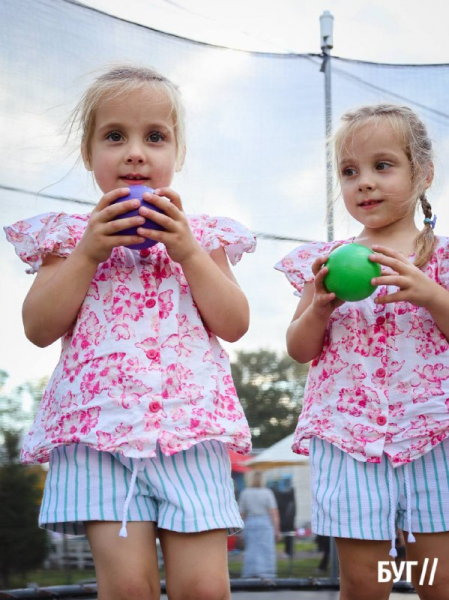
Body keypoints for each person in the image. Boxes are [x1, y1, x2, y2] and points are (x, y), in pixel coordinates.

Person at [4, 64, 256, 600]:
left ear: (177, 154)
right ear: (88, 153)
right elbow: (37, 327)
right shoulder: (69, 237)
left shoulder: (202, 236)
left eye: (155, 137)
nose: (135, 152)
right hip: (98, 436)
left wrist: (186, 250)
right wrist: (90, 251)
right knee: (128, 590)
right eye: (115, 136)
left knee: (205, 589)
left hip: (189, 432)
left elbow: (234, 323)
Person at [275, 104, 449, 600]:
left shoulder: (442, 257)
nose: (364, 183)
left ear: (423, 174)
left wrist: (431, 294)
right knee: (365, 581)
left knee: (436, 580)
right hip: (350, 438)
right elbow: (298, 347)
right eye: (350, 172)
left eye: (383, 166)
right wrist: (319, 311)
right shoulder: (326, 262)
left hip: (434, 432)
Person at [238, 471, 281, 579]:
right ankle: (267, 574)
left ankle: (251, 573)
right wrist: (277, 529)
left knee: (251, 549)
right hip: (265, 522)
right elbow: (274, 513)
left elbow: (242, 513)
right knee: (266, 549)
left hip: (250, 522)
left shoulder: (245, 493)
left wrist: (239, 529)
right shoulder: (267, 492)